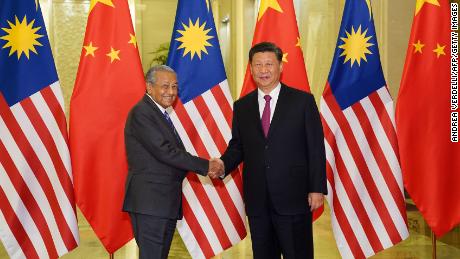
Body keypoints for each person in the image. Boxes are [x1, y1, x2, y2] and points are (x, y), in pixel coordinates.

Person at [212, 42, 326, 259]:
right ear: (251, 68)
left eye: (269, 64)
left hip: (293, 197)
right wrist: (223, 164)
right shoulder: (242, 106)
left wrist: (317, 188)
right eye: (258, 65)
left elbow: (315, 148)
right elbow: (238, 146)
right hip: (258, 201)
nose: (263, 70)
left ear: (280, 67)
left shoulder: (302, 101)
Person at [122, 65, 222, 259]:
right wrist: (206, 165)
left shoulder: (159, 113)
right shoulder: (142, 112)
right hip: (150, 203)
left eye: (174, 87)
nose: (171, 92)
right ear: (149, 87)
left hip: (162, 202)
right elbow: (165, 152)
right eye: (165, 86)